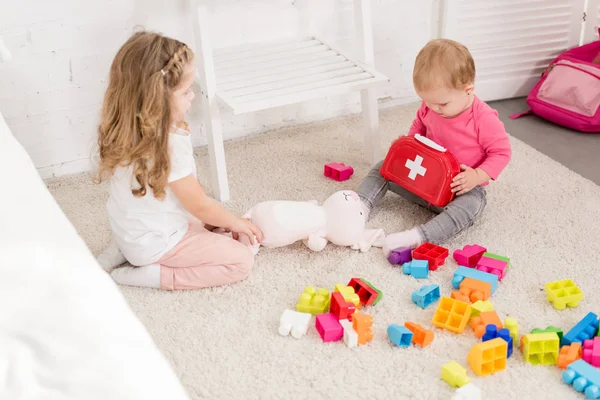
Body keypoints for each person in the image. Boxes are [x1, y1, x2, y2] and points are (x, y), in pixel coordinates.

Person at [94, 31, 263, 290]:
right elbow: (199, 205)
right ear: (157, 100)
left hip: (131, 231)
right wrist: (235, 221)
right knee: (241, 261)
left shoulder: (126, 129)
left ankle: (121, 251)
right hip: (156, 243)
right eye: (185, 92)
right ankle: (153, 275)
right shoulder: (168, 145)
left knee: (208, 225)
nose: (193, 96)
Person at [357, 38, 512, 254]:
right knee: (383, 167)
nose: (433, 108)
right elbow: (419, 125)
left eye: (442, 104)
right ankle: (359, 207)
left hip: (457, 188)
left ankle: (418, 236)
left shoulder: (483, 119)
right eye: (427, 101)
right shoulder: (430, 106)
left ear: (468, 90)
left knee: (470, 207)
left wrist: (477, 176)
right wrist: (407, 148)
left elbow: (501, 152)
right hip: (423, 179)